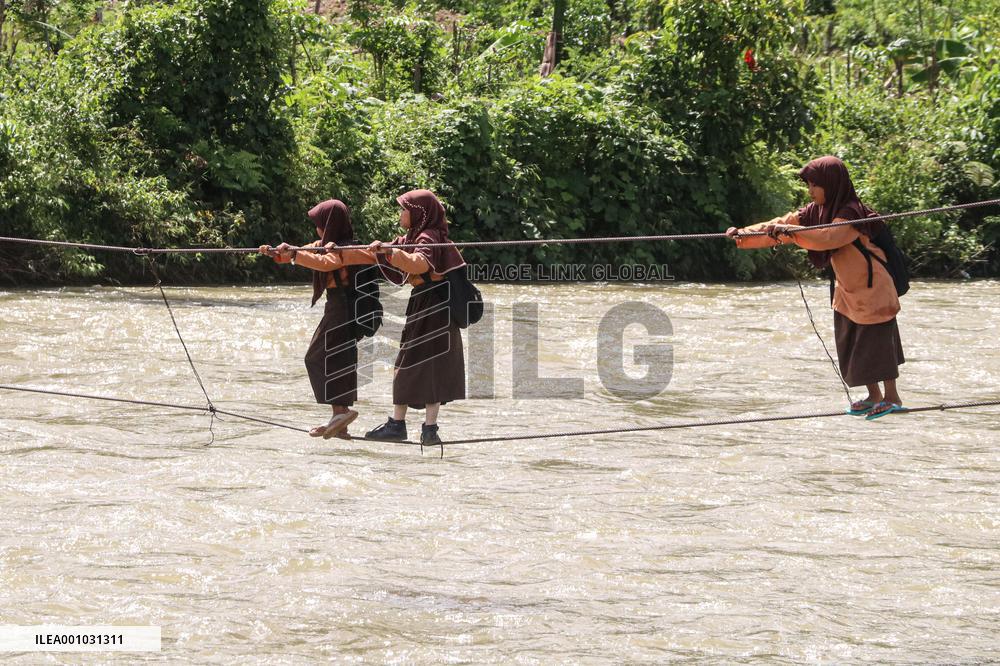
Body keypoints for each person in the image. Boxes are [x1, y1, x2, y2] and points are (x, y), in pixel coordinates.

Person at [726, 156, 905, 419]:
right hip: (847, 290)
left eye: (814, 185)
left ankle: (892, 397)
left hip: (873, 288)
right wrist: (742, 234)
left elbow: (828, 238)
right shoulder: (815, 212)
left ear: (831, 184)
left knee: (876, 344)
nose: (810, 191)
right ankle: (873, 396)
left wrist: (787, 232)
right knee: (853, 342)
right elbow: (778, 224)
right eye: (809, 185)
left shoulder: (852, 212)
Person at [259, 199, 375, 439]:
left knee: (316, 357)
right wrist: (277, 252)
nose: (316, 229)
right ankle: (339, 418)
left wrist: (294, 255)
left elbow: (325, 263)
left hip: (345, 307)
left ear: (331, 224)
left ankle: (341, 414)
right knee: (338, 360)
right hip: (338, 306)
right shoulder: (323, 245)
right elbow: (303, 251)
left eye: (320, 224)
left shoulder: (348, 248)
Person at [363, 189, 467, 446]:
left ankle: (401, 426)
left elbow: (419, 263)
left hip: (435, 307)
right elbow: (367, 254)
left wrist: (391, 253)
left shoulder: (429, 237)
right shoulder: (413, 236)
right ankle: (427, 430)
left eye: (404, 208)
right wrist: (300, 254)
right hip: (426, 305)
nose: (401, 213)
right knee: (428, 366)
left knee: (412, 364)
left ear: (419, 213)